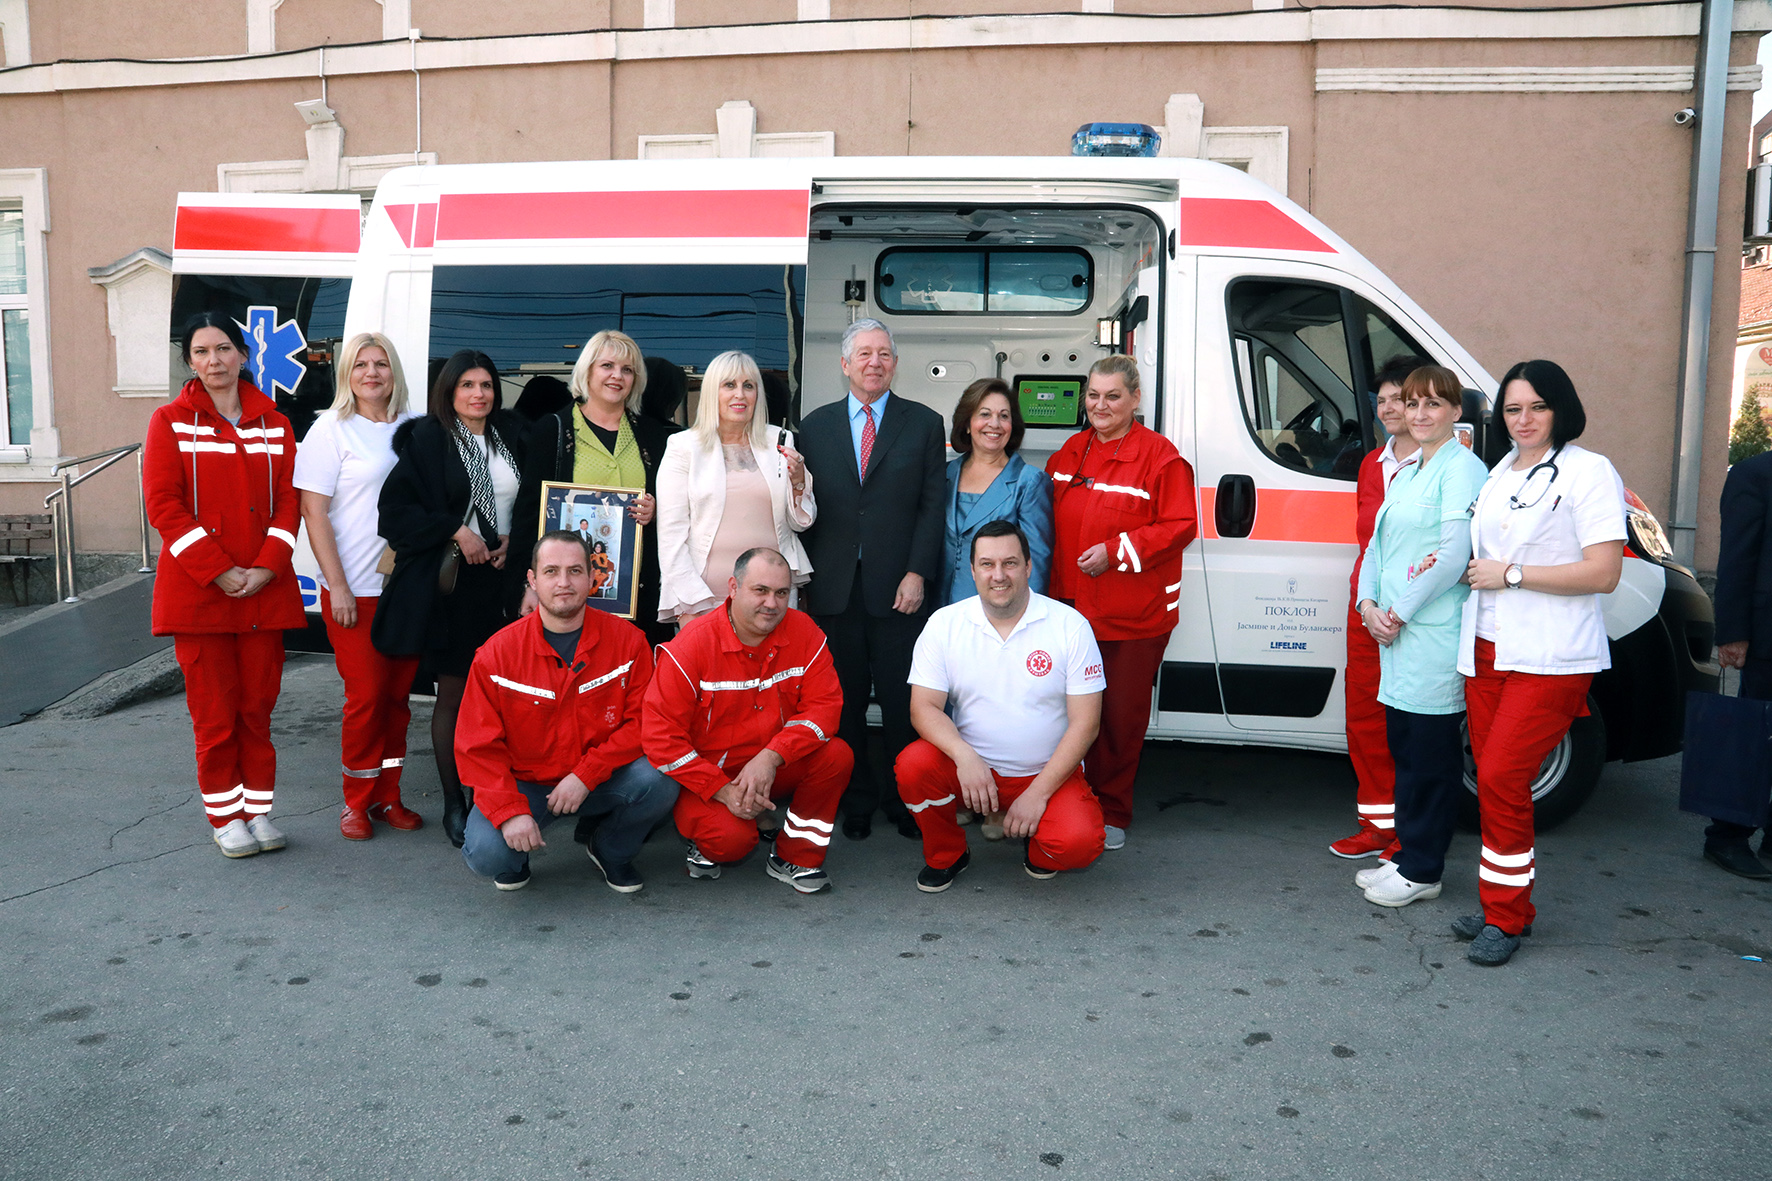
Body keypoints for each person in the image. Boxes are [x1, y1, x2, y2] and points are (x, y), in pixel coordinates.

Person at [1458, 360, 1625, 965]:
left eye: (1536, 407)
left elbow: (1605, 572)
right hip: (1486, 647)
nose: (1523, 420)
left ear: (1560, 409)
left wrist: (1514, 574)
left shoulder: (1589, 472)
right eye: (1512, 409)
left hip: (1550, 655)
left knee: (1502, 775)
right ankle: (1507, 903)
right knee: (1493, 780)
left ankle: (1504, 917)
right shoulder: (1500, 470)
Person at [144, 312, 305, 858]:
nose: (213, 361)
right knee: (214, 716)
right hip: (200, 595)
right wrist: (217, 568)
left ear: (242, 355)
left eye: (223, 349)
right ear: (190, 362)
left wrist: (266, 565)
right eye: (201, 352)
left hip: (263, 589)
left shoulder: (276, 424)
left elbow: (289, 501)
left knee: (257, 710)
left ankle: (258, 813)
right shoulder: (169, 421)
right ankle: (225, 818)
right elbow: (162, 505)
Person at [455, 532, 679, 892]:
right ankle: (515, 853)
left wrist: (587, 774)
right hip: (525, 785)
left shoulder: (628, 641)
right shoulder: (496, 654)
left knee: (662, 775)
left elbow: (645, 722)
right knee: (487, 854)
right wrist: (509, 812)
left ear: (593, 578)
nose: (563, 583)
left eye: (575, 571)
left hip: (600, 779)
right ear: (531, 579)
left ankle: (610, 848)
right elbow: (475, 746)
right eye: (551, 571)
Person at [797, 319, 947, 841]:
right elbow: (803, 509)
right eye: (863, 354)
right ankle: (857, 801)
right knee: (847, 704)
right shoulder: (812, 428)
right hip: (833, 591)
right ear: (844, 365)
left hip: (899, 590)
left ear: (895, 363)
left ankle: (907, 802)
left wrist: (917, 572)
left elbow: (933, 508)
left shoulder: (924, 424)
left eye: (884, 353)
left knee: (906, 706)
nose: (874, 362)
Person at [897, 521, 1106, 891]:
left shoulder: (1069, 626)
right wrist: (965, 756)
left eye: (1010, 563)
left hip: (1045, 773)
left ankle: (1037, 845)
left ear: (1029, 566)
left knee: (1079, 844)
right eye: (987, 564)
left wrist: (1037, 795)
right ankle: (948, 855)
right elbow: (923, 708)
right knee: (913, 766)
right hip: (973, 771)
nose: (999, 575)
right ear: (972, 570)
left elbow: (1085, 724)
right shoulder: (944, 623)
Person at [375, 349, 527, 848]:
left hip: (506, 583)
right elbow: (393, 513)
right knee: (456, 696)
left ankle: (495, 793)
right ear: (449, 390)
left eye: (486, 385)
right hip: (455, 586)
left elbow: (526, 502)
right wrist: (457, 530)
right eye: (467, 385)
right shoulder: (428, 439)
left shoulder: (512, 437)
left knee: (504, 697)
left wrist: (514, 543)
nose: (478, 394)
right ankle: (454, 802)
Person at [1350, 366, 1488, 909]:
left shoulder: (1461, 468)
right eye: (1412, 404)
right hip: (1395, 631)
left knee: (1430, 759)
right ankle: (1409, 856)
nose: (1421, 414)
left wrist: (1397, 612)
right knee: (1405, 749)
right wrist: (1367, 606)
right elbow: (1377, 550)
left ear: (1456, 412)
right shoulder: (1408, 470)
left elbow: (1454, 554)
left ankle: (1425, 867)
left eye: (1434, 403)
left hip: (1428, 633)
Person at [1046, 354, 1197, 851]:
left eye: (1113, 396)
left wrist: (1116, 552)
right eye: (1093, 395)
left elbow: (1179, 526)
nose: (1100, 405)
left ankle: (1111, 811)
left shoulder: (1161, 457)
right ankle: (1063, 797)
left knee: (1117, 720)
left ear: (1135, 399)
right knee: (1062, 714)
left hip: (1130, 617)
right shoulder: (1071, 451)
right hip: (1070, 611)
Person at [642, 548, 852, 894]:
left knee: (836, 755)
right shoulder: (691, 646)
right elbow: (660, 738)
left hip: (771, 764)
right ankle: (710, 838)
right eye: (760, 591)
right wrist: (723, 791)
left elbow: (825, 709)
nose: (772, 603)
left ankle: (796, 856)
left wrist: (770, 757)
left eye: (782, 593)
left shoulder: (805, 632)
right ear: (733, 588)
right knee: (730, 843)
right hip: (709, 777)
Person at [295, 332, 425, 842]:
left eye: (382, 364)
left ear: (395, 372)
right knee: (366, 698)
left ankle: (389, 796)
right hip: (356, 591)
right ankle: (355, 801)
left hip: (406, 589)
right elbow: (313, 511)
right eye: (361, 365)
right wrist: (338, 585)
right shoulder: (330, 430)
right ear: (346, 374)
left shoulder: (415, 429)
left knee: (397, 700)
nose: (372, 373)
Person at [511, 330, 677, 645]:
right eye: (607, 366)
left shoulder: (655, 437)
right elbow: (527, 515)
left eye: (627, 370)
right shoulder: (553, 430)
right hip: (565, 594)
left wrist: (657, 510)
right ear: (587, 370)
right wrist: (527, 585)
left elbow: (678, 510)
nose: (617, 376)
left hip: (637, 593)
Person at [1331, 353, 1429, 860]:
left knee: (1412, 728)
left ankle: (1410, 834)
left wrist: (1402, 609)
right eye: (1383, 399)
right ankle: (1377, 826)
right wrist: (1367, 605)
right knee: (1365, 719)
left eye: (1401, 398)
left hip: (1419, 615)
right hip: (1367, 608)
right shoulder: (1373, 463)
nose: (1390, 408)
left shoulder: (1443, 462)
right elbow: (1368, 544)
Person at [656, 349, 815, 625]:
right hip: (703, 598)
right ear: (711, 393)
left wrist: (799, 483)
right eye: (729, 385)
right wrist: (694, 601)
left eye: (748, 386)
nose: (739, 394)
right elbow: (671, 538)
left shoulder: (779, 439)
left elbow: (800, 523)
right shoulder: (683, 447)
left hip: (772, 600)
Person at [1703, 449, 1772, 878]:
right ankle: (1726, 836)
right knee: (1753, 736)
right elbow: (1736, 559)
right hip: (1766, 634)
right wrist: (1732, 633)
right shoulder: (1754, 474)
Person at [938, 377, 1053, 607]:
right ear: (968, 424)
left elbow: (1036, 566)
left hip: (999, 613)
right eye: (985, 414)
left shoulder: (1028, 482)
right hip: (940, 612)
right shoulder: (944, 475)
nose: (995, 423)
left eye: (1004, 416)